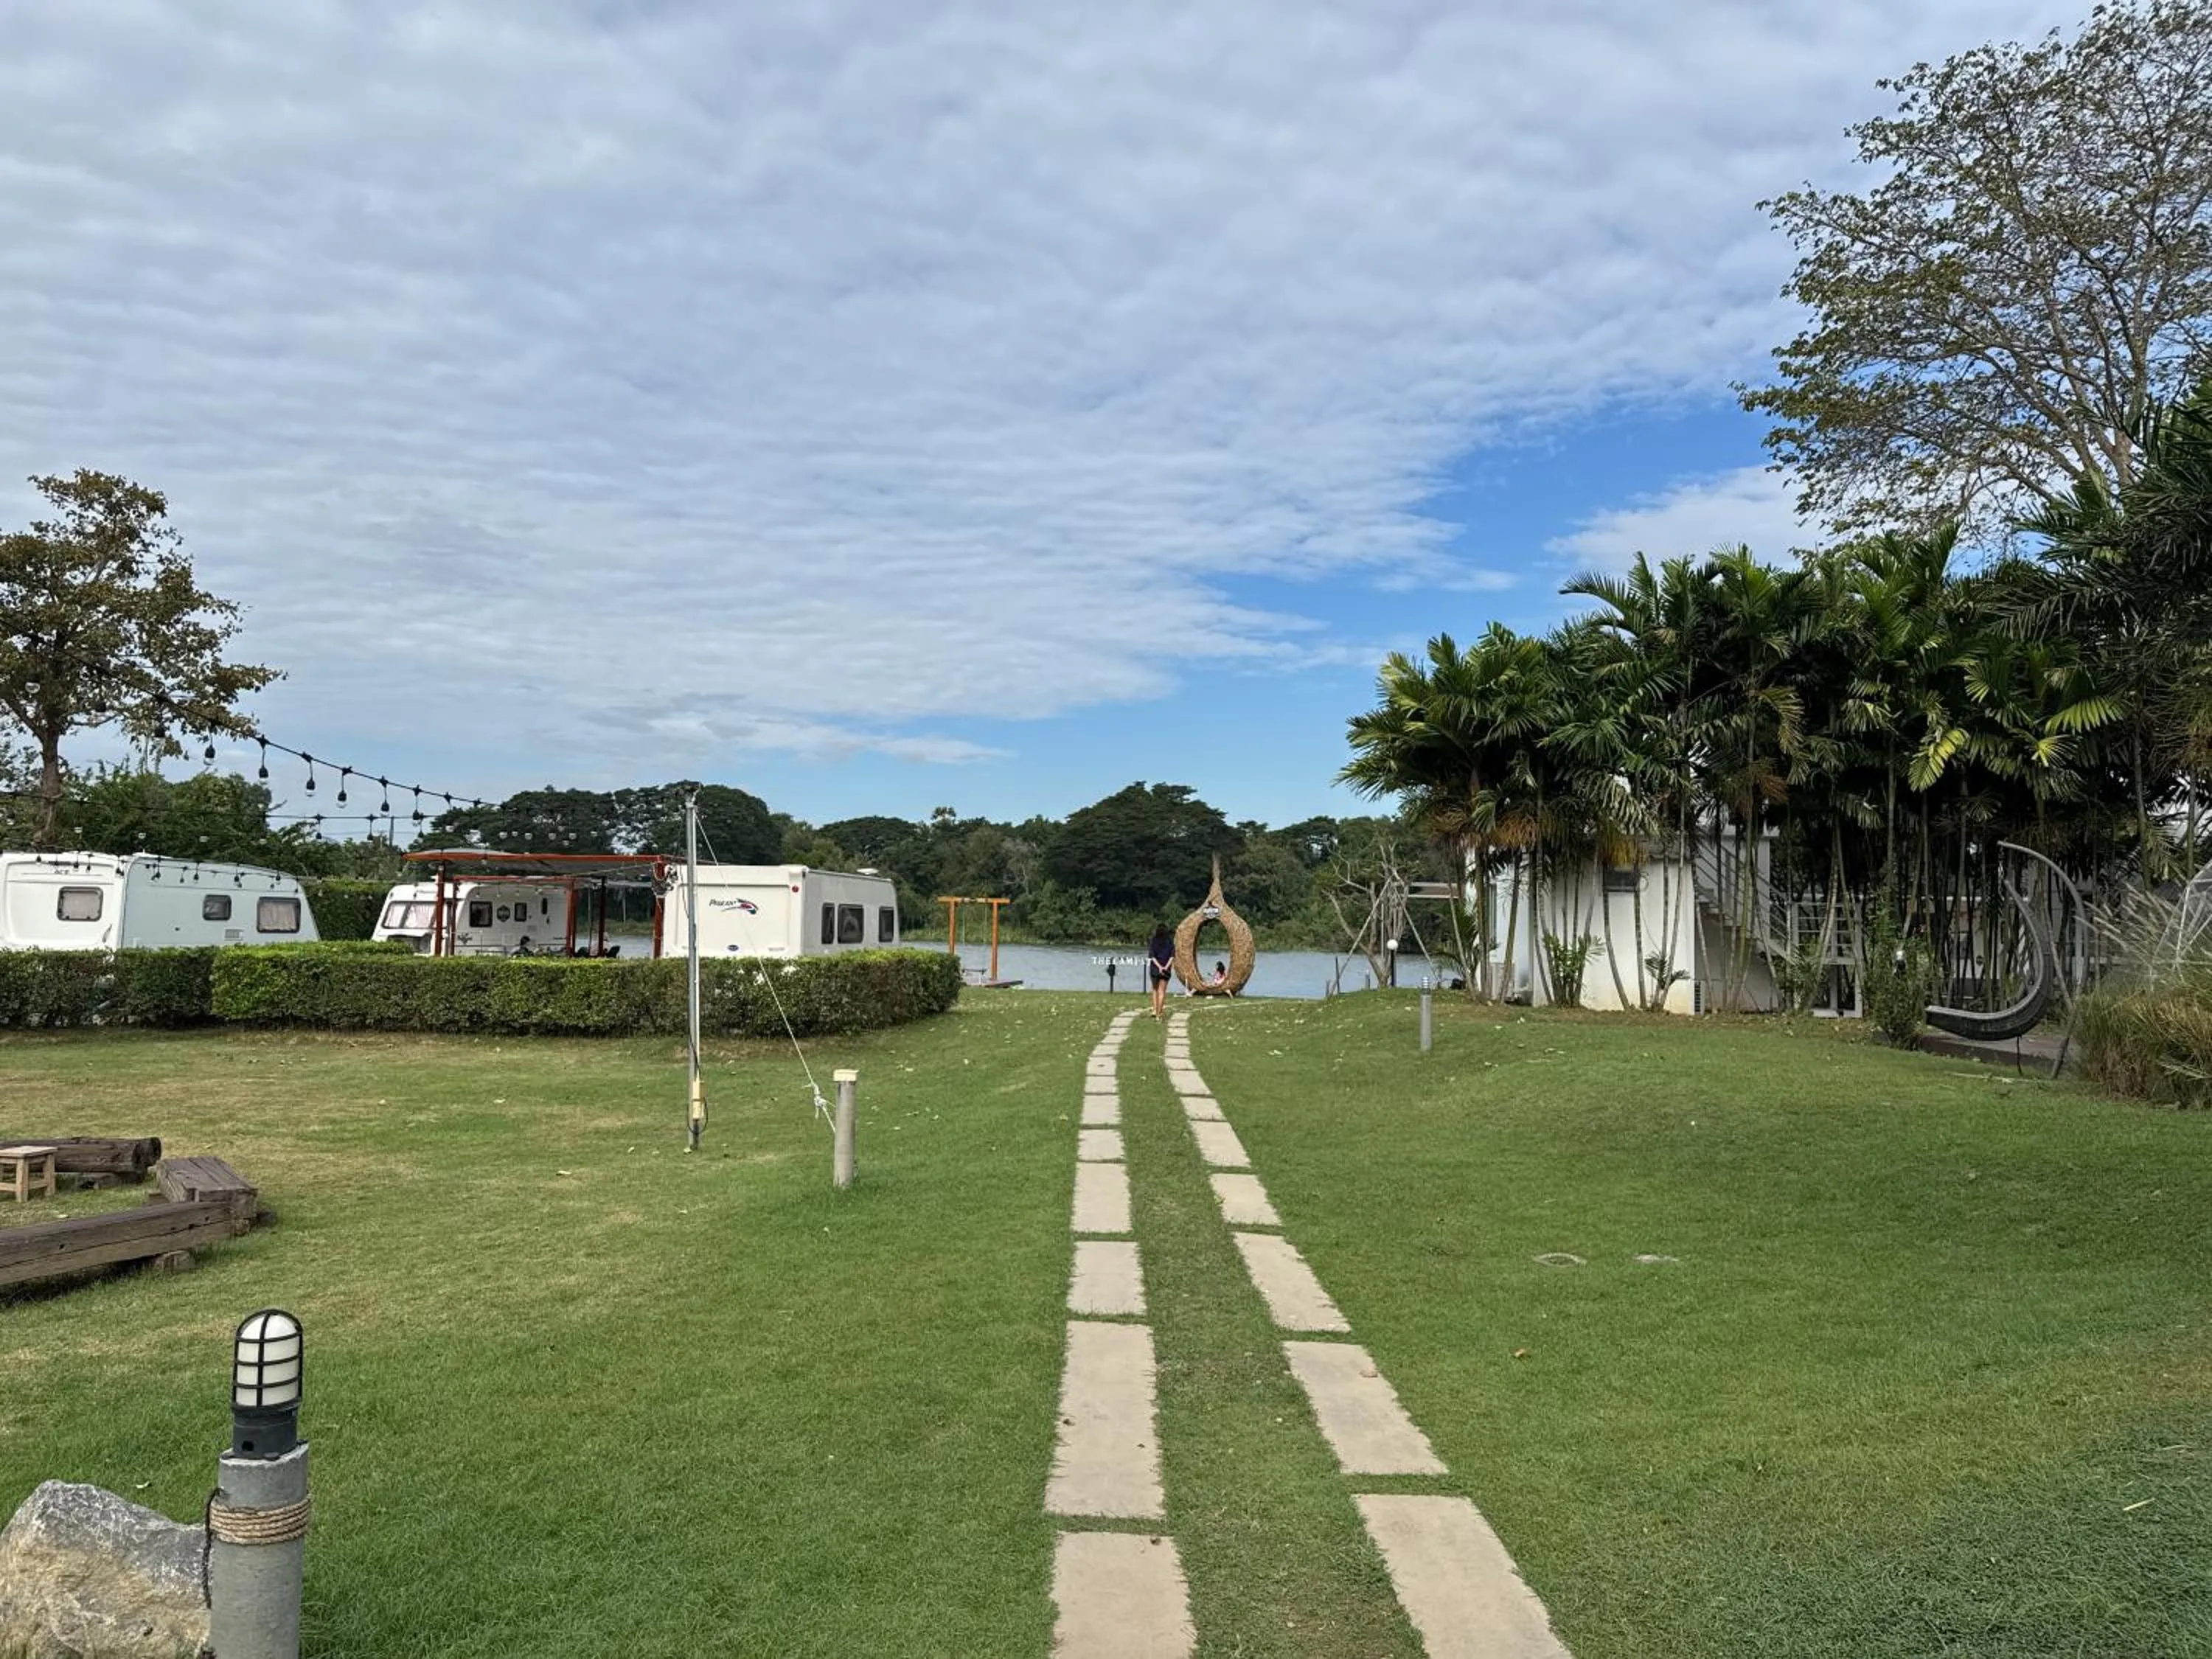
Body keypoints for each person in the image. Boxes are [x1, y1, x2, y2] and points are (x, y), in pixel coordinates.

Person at [1147, 925, 1174, 1018]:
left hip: (1155, 969)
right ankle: (1159, 1012)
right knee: (1162, 991)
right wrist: (1165, 967)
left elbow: (1152, 956)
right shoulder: (1170, 941)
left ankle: (1154, 1010)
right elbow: (1172, 956)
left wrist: (1159, 967)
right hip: (1166, 969)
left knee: (1155, 990)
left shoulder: (1153, 941)